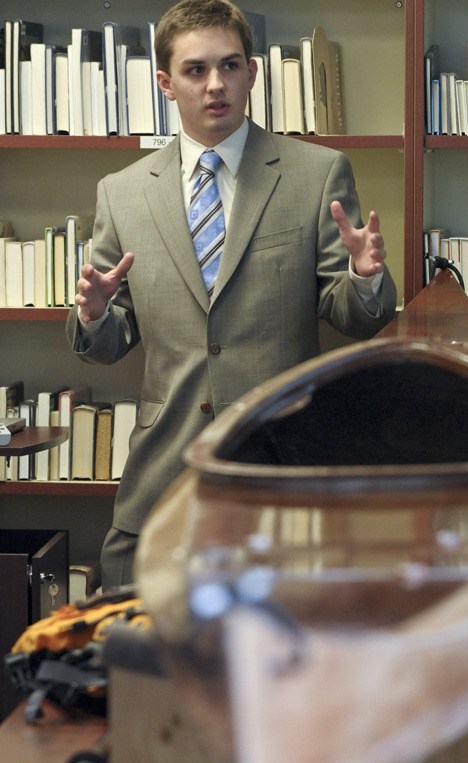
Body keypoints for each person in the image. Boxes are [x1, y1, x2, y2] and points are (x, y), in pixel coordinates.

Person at [66, 0, 397, 591]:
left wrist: (364, 277)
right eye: (195, 70)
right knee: (147, 670)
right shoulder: (121, 193)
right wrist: (94, 316)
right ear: (165, 83)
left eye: (231, 65)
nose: (216, 84)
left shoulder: (316, 173)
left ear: (252, 72)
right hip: (162, 486)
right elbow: (110, 341)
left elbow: (355, 318)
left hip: (282, 480)